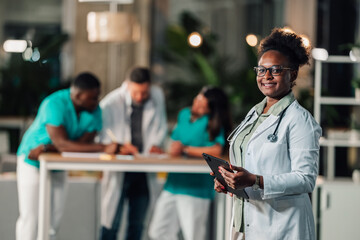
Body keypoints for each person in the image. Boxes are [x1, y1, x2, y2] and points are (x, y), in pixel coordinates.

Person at [214, 28, 322, 240]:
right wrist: (229, 181)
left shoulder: (300, 120)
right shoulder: (255, 113)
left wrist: (255, 180)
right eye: (261, 70)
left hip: (281, 226)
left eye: (276, 70)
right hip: (244, 222)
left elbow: (305, 179)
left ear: (293, 73)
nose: (267, 76)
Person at [16, 72, 119, 240]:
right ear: (78, 95)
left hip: (58, 164)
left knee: (53, 219)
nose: (97, 101)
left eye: (97, 96)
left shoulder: (94, 110)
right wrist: (102, 147)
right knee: (30, 217)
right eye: (92, 98)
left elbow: (80, 145)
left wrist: (53, 147)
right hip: (31, 161)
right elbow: (65, 144)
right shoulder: (54, 103)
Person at [148, 86, 232, 240]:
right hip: (173, 184)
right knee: (158, 232)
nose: (197, 106)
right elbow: (174, 142)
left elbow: (216, 150)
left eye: (203, 106)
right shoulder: (184, 114)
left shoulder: (212, 122)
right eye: (197, 100)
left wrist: (186, 149)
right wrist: (167, 150)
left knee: (193, 236)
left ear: (210, 110)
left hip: (196, 189)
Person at [99, 67, 167, 240]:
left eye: (144, 92)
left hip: (143, 171)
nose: (140, 97)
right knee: (111, 224)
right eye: (136, 92)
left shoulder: (157, 96)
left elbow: (161, 127)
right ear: (127, 85)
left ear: (150, 87)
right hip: (119, 169)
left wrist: (156, 145)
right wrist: (120, 147)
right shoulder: (110, 103)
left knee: (137, 226)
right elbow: (102, 138)